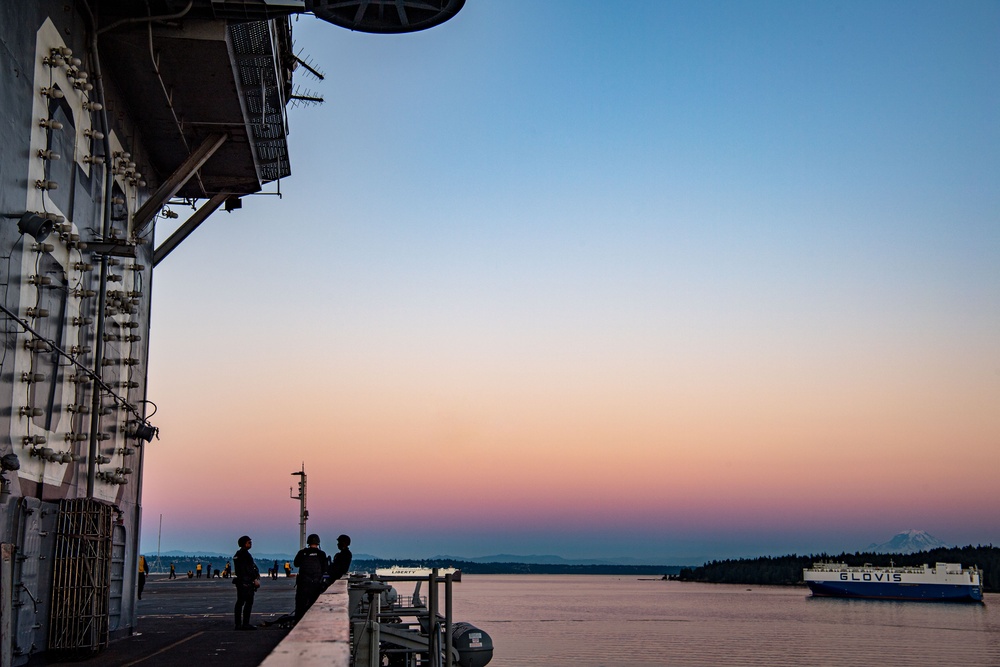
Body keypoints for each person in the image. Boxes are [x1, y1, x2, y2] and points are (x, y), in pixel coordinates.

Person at [293, 534, 327, 621]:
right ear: (318, 543)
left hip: (303, 583)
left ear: (308, 542)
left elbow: (296, 564)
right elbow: (325, 568)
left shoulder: (302, 553)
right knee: (314, 605)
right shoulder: (321, 554)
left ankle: (298, 622)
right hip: (316, 584)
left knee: (300, 605)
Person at [233, 535, 260, 630]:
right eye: (249, 542)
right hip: (246, 582)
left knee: (239, 603)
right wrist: (254, 579)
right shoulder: (246, 555)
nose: (251, 543)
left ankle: (238, 624)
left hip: (240, 581)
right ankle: (245, 623)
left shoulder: (237, 554)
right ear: (244, 543)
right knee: (248, 602)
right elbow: (248, 569)